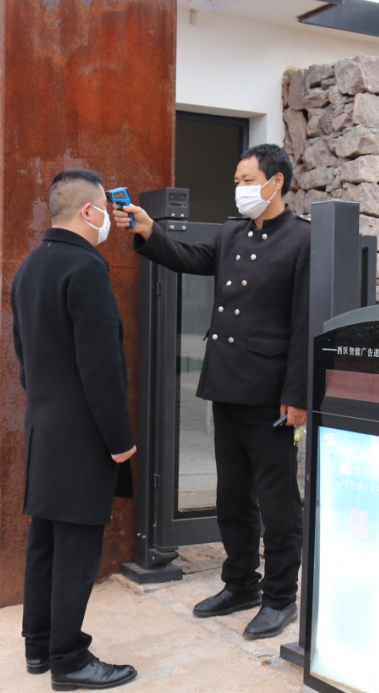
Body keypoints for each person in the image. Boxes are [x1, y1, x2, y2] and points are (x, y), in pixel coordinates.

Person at [112, 144, 311, 640]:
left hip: (271, 395)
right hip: (227, 383)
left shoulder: (303, 239)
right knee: (232, 496)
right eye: (237, 181)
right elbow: (187, 257)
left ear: (276, 182)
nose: (239, 188)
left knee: (278, 502)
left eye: (248, 180)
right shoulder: (231, 233)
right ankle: (240, 583)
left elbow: (305, 322)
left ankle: (280, 597)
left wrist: (298, 395)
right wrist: (149, 230)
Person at [11, 168, 138, 692]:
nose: (109, 218)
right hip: (82, 436)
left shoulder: (30, 266)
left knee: (45, 543)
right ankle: (69, 658)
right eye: (105, 208)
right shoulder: (85, 268)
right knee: (76, 552)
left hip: (44, 428)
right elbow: (101, 368)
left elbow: (24, 357)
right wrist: (120, 440)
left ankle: (39, 645)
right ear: (89, 211)